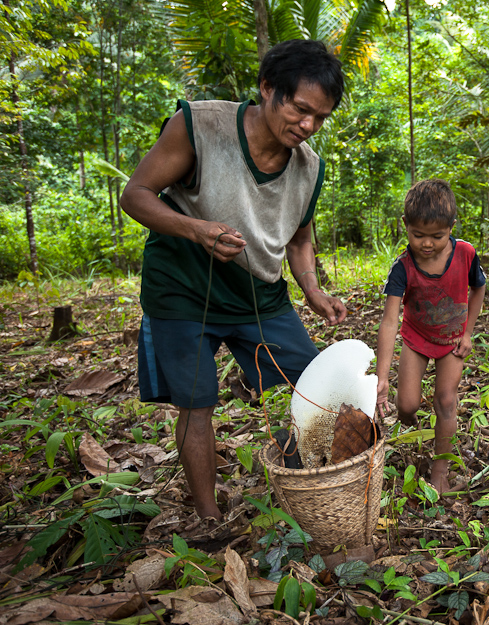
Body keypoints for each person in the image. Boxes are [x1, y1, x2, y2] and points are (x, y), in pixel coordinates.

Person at [120, 40, 348, 521]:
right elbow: (136, 193)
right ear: (267, 89)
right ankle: (208, 518)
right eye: (300, 109)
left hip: (259, 295)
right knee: (196, 404)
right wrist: (196, 229)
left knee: (312, 388)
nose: (308, 126)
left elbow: (299, 238)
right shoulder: (199, 125)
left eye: (320, 118)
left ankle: (306, 494)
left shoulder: (309, 168)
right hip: (182, 290)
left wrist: (313, 290)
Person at [375, 180, 486, 495]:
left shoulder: (465, 253)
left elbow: (479, 288)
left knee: (446, 401)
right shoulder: (403, 268)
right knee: (407, 405)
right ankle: (412, 430)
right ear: (405, 226)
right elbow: (389, 321)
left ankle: (440, 468)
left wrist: (468, 332)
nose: (426, 244)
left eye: (437, 236)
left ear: (452, 227)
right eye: (417, 235)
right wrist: (382, 377)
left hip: (451, 342)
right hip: (416, 339)